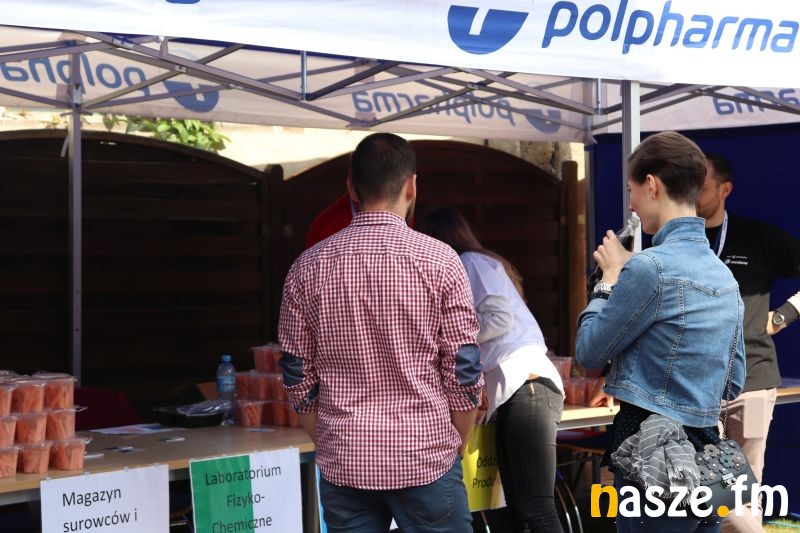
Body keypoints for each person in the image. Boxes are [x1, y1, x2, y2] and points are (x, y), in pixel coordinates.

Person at [278, 132, 484, 533]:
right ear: (412, 186)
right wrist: (458, 439)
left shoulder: (307, 267)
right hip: (425, 454)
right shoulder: (442, 261)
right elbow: (464, 366)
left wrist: (328, 437)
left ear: (351, 188)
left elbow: (295, 369)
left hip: (344, 458)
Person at [576, 131, 746, 532]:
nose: (631, 204)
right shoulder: (724, 276)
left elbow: (588, 353)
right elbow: (733, 381)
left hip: (650, 454)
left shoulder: (648, 267)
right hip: (707, 459)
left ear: (651, 185)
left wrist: (608, 281)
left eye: (631, 190)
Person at [418, 206, 565, 533]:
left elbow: (499, 318)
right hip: (518, 391)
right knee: (518, 508)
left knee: (535, 508)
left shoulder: (471, 262)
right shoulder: (475, 263)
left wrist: (449, 331)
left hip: (527, 386)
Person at [696, 152, 800, 532]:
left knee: (743, 490)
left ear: (725, 189)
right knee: (714, 492)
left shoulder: (758, 237)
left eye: (702, 186)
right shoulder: (673, 240)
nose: (693, 194)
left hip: (751, 382)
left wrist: (785, 314)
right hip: (696, 386)